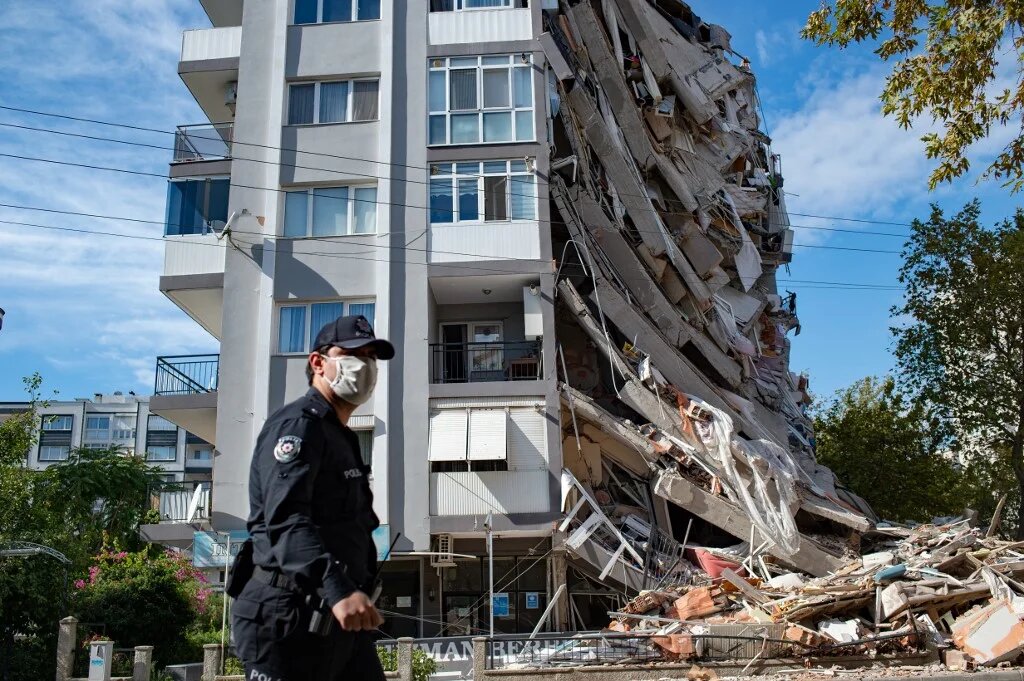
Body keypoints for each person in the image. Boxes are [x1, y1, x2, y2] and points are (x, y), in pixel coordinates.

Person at [231, 314, 394, 681]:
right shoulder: (298, 426)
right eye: (352, 355)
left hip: (337, 618)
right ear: (318, 363)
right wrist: (338, 589)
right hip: (286, 617)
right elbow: (287, 519)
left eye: (371, 357)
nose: (366, 366)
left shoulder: (340, 435)